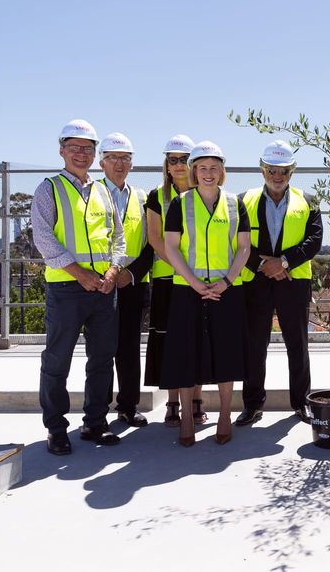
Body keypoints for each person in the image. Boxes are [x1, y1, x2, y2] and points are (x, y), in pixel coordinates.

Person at [32, 119, 126, 455]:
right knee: (57, 361)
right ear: (62, 150)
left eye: (87, 148)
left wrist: (115, 269)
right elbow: (43, 238)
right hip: (67, 290)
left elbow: (118, 235)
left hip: (104, 289)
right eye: (74, 147)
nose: (81, 153)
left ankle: (95, 423)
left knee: (102, 360)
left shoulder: (102, 190)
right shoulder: (49, 188)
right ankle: (56, 429)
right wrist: (79, 273)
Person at [160, 141, 250, 447]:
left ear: (222, 171)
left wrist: (226, 281)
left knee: (227, 351)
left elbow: (244, 248)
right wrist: (195, 283)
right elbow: (171, 246)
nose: (208, 173)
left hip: (227, 290)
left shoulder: (236, 204)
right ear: (193, 171)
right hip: (188, 289)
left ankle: (224, 415)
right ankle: (186, 417)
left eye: (214, 167)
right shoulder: (180, 204)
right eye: (202, 167)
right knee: (186, 354)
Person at [236, 140, 323, 426]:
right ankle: (251, 404)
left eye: (283, 170)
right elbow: (235, 242)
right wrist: (263, 265)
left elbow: (314, 241)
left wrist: (283, 262)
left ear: (292, 171)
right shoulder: (243, 200)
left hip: (293, 281)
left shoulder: (309, 200)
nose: (277, 175)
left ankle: (301, 402)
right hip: (255, 282)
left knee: (297, 344)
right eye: (272, 169)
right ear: (263, 170)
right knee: (252, 345)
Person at [143, 134, 204, 429]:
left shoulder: (207, 193)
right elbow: (155, 240)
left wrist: (195, 274)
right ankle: (172, 404)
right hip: (170, 279)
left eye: (184, 160)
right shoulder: (157, 197)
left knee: (198, 341)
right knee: (170, 343)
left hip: (201, 280)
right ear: (166, 164)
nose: (178, 165)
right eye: (173, 160)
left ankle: (195, 401)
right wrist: (183, 270)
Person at [98, 132, 153, 427]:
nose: (119, 164)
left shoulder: (141, 197)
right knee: (101, 351)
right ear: (102, 163)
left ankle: (128, 406)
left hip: (131, 283)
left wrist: (131, 273)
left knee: (129, 349)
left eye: (125, 158)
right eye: (113, 158)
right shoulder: (89, 194)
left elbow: (150, 243)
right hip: (98, 285)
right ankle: (98, 410)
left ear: (132, 164)